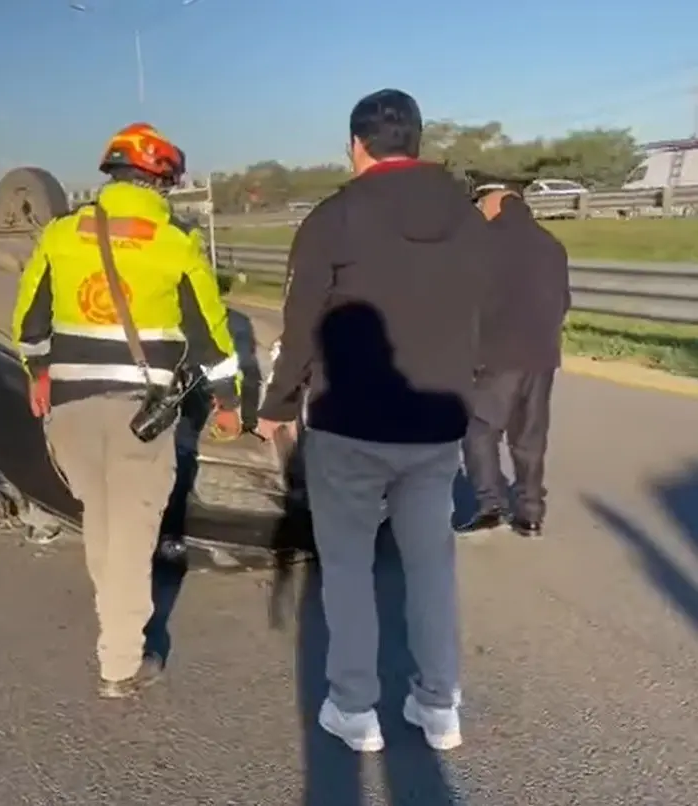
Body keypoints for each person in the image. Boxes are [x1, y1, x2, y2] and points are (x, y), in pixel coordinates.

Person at [255, 89, 490, 752]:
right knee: (429, 566)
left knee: (349, 568)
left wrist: (274, 407)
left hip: (348, 424)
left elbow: (300, 324)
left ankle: (354, 709)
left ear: (355, 145)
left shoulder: (335, 216)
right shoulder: (470, 219)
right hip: (435, 424)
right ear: (415, 141)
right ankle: (438, 704)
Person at [11, 122, 242, 699]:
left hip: (69, 409)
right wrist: (230, 401)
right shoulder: (174, 243)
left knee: (102, 519)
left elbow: (28, 326)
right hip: (139, 414)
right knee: (134, 535)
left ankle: (113, 621)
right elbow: (211, 337)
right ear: (159, 181)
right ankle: (120, 662)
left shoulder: (61, 235)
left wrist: (36, 375)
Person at [457, 189, 570, 538]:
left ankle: (491, 504)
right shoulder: (551, 244)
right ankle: (531, 513)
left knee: (479, 431)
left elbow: (469, 303)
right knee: (530, 436)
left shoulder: (481, 244)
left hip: (497, 355)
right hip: (542, 355)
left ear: (493, 207)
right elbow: (563, 300)